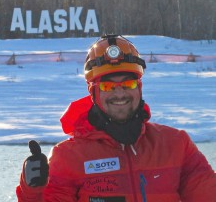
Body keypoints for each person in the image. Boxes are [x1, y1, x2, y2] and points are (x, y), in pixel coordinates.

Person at [16, 34, 216, 202]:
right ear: (92, 92)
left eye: (128, 84)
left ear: (139, 87)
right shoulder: (68, 157)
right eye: (108, 86)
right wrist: (32, 192)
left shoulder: (176, 145)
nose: (119, 93)